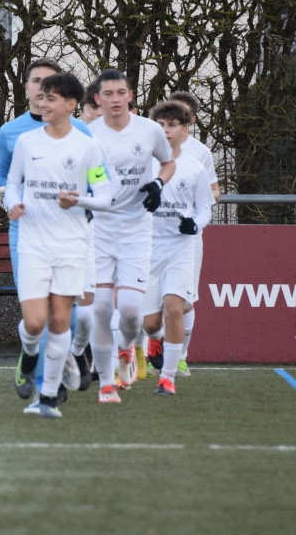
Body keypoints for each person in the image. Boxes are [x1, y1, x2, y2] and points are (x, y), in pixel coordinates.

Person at [0, 58, 94, 411]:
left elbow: (97, 180)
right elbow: (1, 175)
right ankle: (48, 385)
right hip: (26, 231)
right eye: (37, 81)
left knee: (68, 315)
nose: (43, 89)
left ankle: (67, 357)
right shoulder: (12, 133)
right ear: (28, 87)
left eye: (50, 83)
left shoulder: (83, 134)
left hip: (69, 234)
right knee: (38, 315)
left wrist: (91, 202)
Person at [5, 72, 116, 418]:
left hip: (71, 247)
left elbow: (106, 195)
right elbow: (13, 182)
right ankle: (29, 352)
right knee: (34, 323)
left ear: (71, 105)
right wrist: (12, 203)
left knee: (59, 322)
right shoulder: (27, 142)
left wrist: (79, 200)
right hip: (33, 244)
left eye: (51, 98)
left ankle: (48, 397)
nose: (43, 103)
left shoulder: (87, 147)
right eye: (42, 96)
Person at [87, 69, 174, 403]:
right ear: (98, 99)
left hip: (137, 230)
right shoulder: (88, 135)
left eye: (121, 92)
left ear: (130, 95)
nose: (115, 99)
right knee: (100, 309)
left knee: (132, 311)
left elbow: (168, 163)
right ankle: (106, 383)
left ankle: (126, 347)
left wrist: (158, 184)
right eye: (108, 94)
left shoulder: (149, 130)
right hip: (99, 230)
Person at [140, 100, 215, 395]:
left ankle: (167, 377)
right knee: (149, 323)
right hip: (147, 248)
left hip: (180, 247)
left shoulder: (195, 168)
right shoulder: (143, 164)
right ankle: (156, 340)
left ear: (185, 130)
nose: (166, 130)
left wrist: (194, 225)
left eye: (172, 125)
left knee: (175, 309)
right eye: (160, 125)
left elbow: (205, 208)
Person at [165, 90, 220, 377]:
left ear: (192, 120)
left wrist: (195, 210)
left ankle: (181, 357)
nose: (174, 121)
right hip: (153, 236)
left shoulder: (200, 153)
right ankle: (145, 353)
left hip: (186, 239)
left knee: (184, 300)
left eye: (182, 115)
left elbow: (214, 193)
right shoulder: (151, 147)